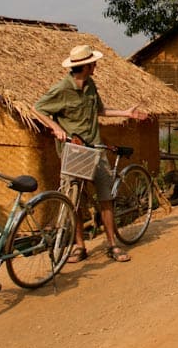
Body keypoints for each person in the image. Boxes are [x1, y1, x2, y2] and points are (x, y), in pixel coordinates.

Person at [33, 44, 149, 263]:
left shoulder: (91, 85)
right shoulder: (61, 89)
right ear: (85, 66)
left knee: (106, 197)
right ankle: (79, 246)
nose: (95, 66)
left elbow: (100, 110)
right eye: (92, 63)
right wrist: (55, 128)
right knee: (74, 200)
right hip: (74, 152)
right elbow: (37, 108)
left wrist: (125, 113)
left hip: (95, 149)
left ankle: (112, 245)